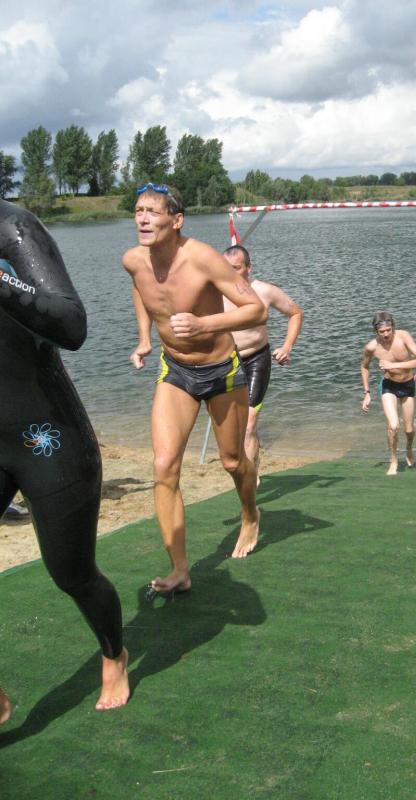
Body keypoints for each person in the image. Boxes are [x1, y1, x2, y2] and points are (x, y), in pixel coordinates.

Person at [0, 198, 128, 712]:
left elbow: (72, 325)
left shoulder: (13, 227)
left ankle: (114, 653)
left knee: (72, 574)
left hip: (45, 434)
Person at [124, 184, 266, 588]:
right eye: (138, 211)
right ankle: (180, 570)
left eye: (153, 212)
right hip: (175, 371)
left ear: (177, 220)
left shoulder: (202, 258)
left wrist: (204, 324)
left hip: (221, 370)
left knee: (232, 461)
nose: (143, 219)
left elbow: (255, 310)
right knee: (164, 465)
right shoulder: (133, 260)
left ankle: (250, 513)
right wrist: (144, 338)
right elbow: (141, 289)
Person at [222, 244, 304, 481]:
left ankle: (250, 478)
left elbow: (295, 313)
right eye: (226, 268)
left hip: (256, 359)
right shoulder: (214, 292)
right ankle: (249, 460)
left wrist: (287, 346)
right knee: (231, 427)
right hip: (225, 362)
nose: (230, 273)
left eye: (236, 268)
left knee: (249, 424)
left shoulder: (264, 291)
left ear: (249, 268)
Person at [360, 312, 416, 475]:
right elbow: (364, 367)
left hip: (408, 384)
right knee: (393, 426)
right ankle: (393, 460)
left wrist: (392, 365)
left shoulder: (403, 336)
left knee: (409, 429)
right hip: (388, 385)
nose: (386, 334)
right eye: (381, 332)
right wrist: (367, 392)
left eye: (388, 330)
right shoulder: (371, 347)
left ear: (393, 327)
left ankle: (409, 449)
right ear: (376, 331)